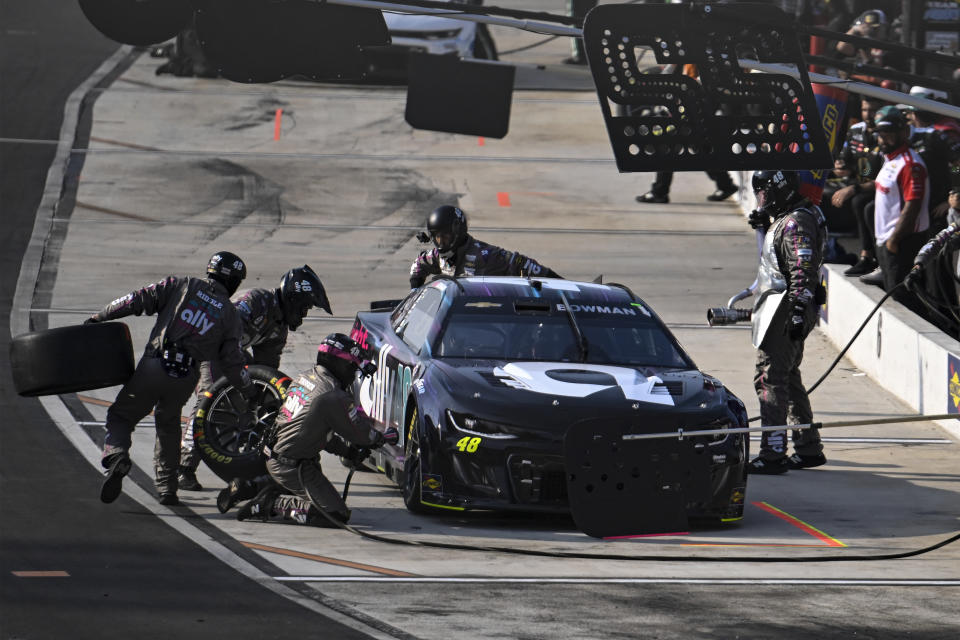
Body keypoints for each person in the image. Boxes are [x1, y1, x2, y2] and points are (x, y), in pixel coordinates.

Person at [85, 251, 257, 505]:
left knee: (121, 416)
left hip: (154, 364)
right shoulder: (230, 315)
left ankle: (117, 455)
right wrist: (249, 389)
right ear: (233, 282)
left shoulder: (181, 284)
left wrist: (101, 316)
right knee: (168, 424)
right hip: (185, 377)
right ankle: (167, 488)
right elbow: (233, 362)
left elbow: (135, 299)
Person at [177, 265, 332, 491]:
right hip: (209, 349)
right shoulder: (256, 300)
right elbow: (221, 330)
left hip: (233, 356)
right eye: (304, 306)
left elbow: (266, 371)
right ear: (292, 298)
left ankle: (244, 459)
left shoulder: (279, 329)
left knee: (243, 406)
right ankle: (183, 467)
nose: (304, 313)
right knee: (209, 402)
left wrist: (263, 403)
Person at [236, 334, 396, 526]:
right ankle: (270, 503)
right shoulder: (333, 396)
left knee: (316, 487)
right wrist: (379, 438)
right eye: (352, 367)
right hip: (291, 466)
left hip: (280, 455)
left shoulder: (306, 377)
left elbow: (314, 433)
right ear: (340, 364)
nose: (353, 374)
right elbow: (361, 434)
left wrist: (347, 451)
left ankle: (251, 486)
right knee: (335, 515)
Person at [746, 170, 828, 474]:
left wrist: (795, 312)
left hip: (787, 307)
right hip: (788, 305)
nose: (762, 200)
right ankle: (808, 448)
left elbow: (802, 270)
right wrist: (768, 227)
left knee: (769, 377)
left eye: (764, 193)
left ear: (777, 189)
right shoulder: (793, 217)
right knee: (788, 377)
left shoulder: (796, 222)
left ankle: (773, 452)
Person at [409, 205, 561, 288]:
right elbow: (418, 264)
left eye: (445, 237)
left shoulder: (485, 255)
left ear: (457, 232)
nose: (441, 243)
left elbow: (522, 263)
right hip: (453, 323)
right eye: (437, 238)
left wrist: (562, 283)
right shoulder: (436, 256)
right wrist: (415, 289)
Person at [873, 106, 931, 315]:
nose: (883, 139)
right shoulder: (890, 160)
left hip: (903, 243)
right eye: (881, 134)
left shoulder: (910, 164)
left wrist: (894, 240)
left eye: (889, 134)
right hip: (887, 242)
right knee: (895, 299)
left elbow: (913, 205)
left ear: (903, 133)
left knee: (906, 302)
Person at [829, 96, 885, 276]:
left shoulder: (886, 134)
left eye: (873, 110)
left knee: (861, 203)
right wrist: (840, 168)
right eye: (865, 110)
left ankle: (869, 256)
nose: (869, 115)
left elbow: (887, 176)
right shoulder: (855, 130)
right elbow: (844, 161)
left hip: (883, 188)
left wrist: (853, 187)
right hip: (858, 184)